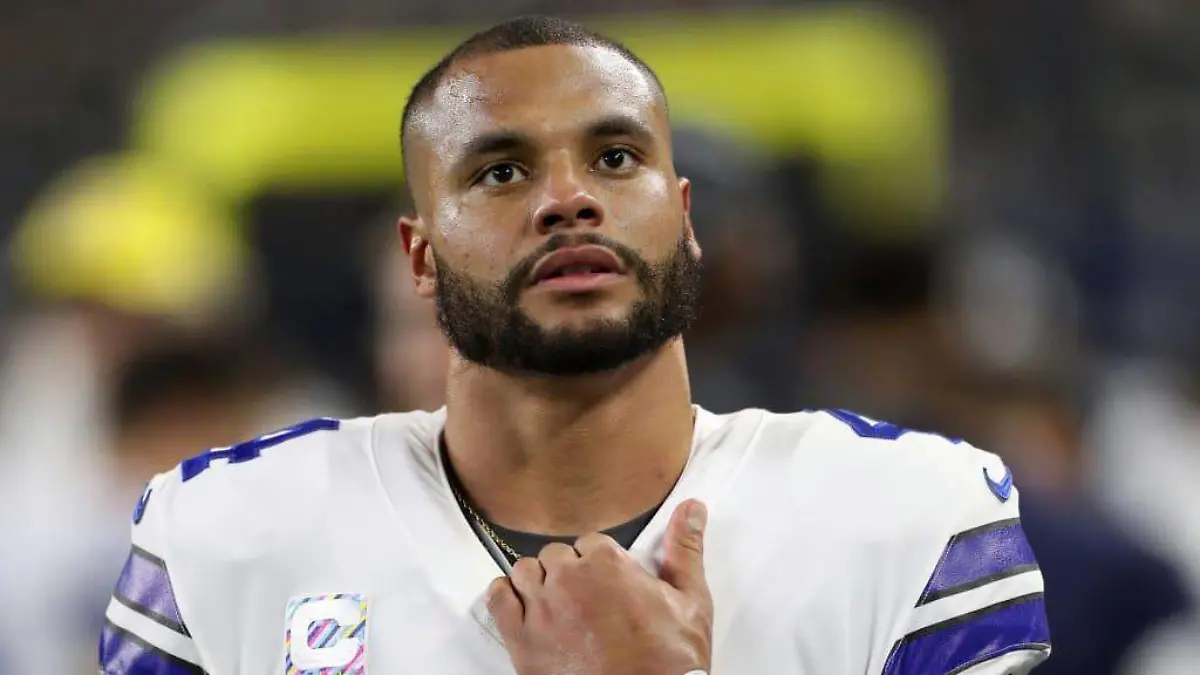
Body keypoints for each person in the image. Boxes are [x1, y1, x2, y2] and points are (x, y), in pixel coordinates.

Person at [99, 16, 1050, 675]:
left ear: (684, 220)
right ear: (419, 256)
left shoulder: (915, 519)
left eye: (616, 157)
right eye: (501, 170)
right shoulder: (220, 534)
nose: (568, 198)